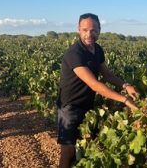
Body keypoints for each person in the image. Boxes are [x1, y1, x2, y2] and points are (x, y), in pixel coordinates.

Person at [57, 13, 138, 168]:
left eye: (93, 30)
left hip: (88, 104)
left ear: (99, 30)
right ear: (78, 30)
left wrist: (125, 85)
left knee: (86, 146)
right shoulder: (74, 53)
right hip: (70, 107)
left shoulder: (97, 50)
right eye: (85, 30)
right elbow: (94, 84)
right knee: (68, 151)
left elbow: (106, 74)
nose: (89, 34)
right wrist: (125, 100)